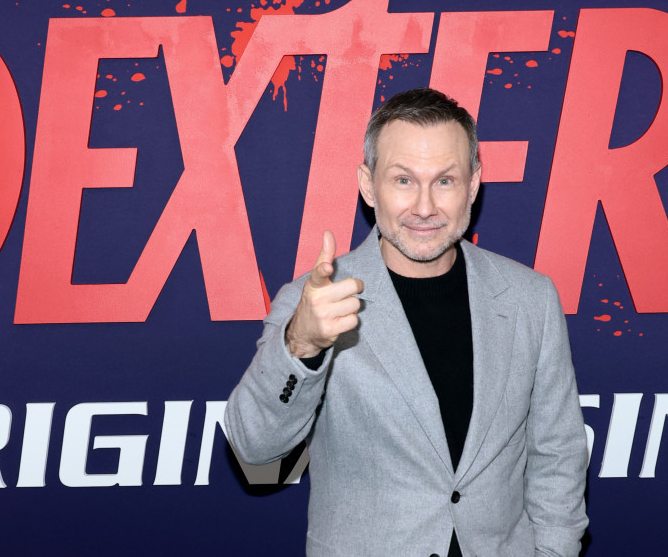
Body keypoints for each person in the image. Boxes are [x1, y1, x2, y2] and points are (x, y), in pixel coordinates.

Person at [225, 87, 588, 556]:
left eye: (445, 181)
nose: (424, 206)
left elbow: (558, 453)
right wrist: (302, 345)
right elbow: (254, 448)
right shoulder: (314, 303)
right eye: (403, 180)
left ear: (473, 185)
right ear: (367, 184)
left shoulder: (529, 298)